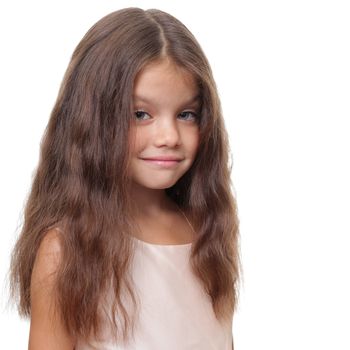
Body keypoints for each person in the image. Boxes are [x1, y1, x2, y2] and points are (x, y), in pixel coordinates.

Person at [8, 7, 241, 350]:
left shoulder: (207, 230)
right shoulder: (67, 249)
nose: (169, 136)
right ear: (93, 120)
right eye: (141, 114)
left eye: (186, 114)